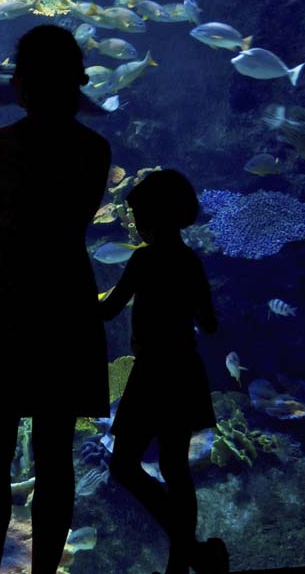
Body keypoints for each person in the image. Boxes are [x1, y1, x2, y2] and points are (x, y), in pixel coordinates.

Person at [0, 24, 112, 574]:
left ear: (20, 85)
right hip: (67, 295)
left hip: (11, 299)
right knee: (56, 450)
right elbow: (77, 222)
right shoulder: (94, 148)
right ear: (75, 83)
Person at [100, 170, 229, 574]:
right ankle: (184, 560)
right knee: (176, 468)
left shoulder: (143, 259)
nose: (135, 224)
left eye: (137, 215)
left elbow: (109, 308)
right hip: (184, 370)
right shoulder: (189, 260)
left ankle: (188, 553)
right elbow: (208, 324)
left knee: (123, 465)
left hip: (154, 371)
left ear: (155, 215)